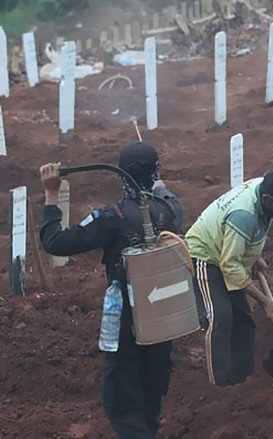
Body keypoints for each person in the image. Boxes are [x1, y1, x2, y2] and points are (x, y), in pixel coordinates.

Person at [39, 142, 184, 439]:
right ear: (155, 172)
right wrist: (157, 182)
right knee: (149, 400)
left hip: (126, 326)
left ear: (121, 176)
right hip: (164, 321)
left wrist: (51, 194)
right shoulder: (170, 210)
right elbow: (164, 193)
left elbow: (55, 243)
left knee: (121, 404)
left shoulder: (111, 217)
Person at [185, 170, 273, 387]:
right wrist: (265, 301)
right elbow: (229, 264)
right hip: (204, 255)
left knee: (244, 321)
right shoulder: (244, 215)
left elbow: (251, 231)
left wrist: (254, 255)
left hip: (227, 250)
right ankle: (220, 386)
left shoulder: (265, 188)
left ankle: (243, 382)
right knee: (220, 318)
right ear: (267, 200)